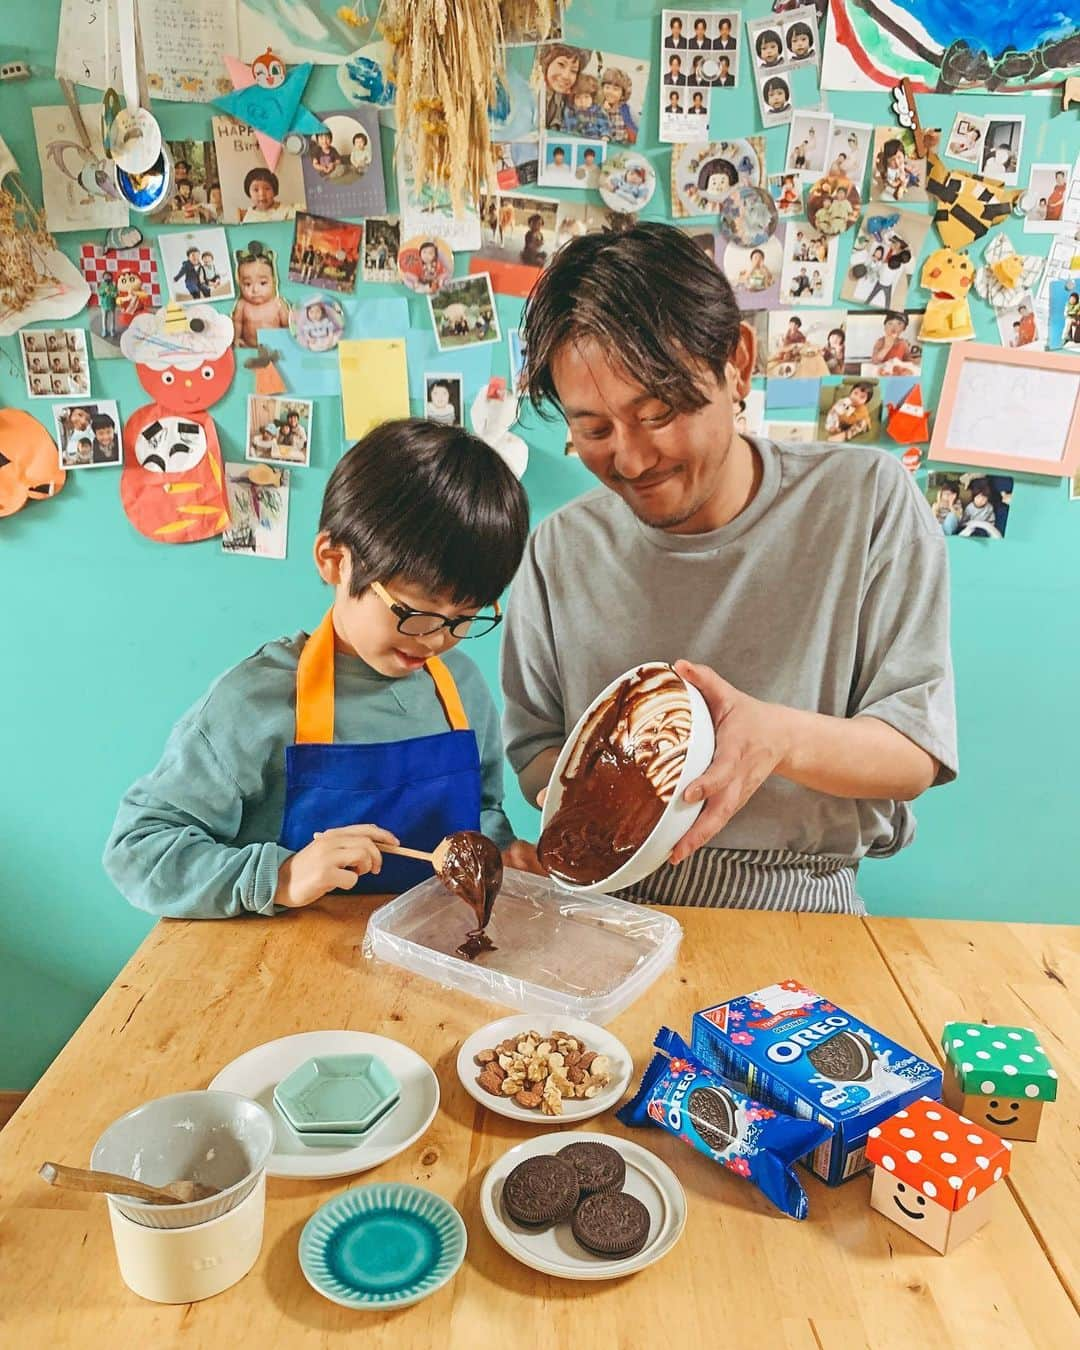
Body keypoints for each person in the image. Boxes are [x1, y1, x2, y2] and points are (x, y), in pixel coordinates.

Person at [504, 224, 955, 911]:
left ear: (737, 363)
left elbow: (912, 754)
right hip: (607, 897)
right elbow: (538, 749)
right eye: (593, 429)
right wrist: (597, 815)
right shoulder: (560, 549)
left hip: (797, 899)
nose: (628, 459)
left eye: (659, 412)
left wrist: (776, 736)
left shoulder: (866, 501)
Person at [103, 419, 538, 919]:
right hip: (289, 974)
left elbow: (483, 811)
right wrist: (280, 877)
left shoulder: (462, 688)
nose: (438, 639)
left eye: (464, 619)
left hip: (432, 958)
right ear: (334, 560)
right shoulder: (254, 703)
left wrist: (502, 852)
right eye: (416, 612)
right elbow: (137, 850)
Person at [232, 248, 290, 348]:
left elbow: (288, 325)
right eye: (248, 284)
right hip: (249, 349)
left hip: (276, 349)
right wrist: (236, 338)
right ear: (240, 283)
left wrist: (289, 342)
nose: (255, 290)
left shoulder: (278, 304)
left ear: (274, 281)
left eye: (263, 283)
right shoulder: (242, 305)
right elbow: (237, 323)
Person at [97, 271, 118, 339]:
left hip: (112, 305)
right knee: (104, 318)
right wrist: (104, 291)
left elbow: (116, 294)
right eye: (106, 276)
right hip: (104, 305)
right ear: (103, 277)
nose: (107, 277)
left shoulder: (114, 285)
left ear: (111, 277)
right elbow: (99, 293)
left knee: (112, 319)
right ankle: (104, 330)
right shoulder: (102, 285)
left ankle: (112, 330)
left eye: (109, 276)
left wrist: (111, 293)